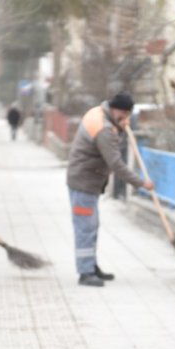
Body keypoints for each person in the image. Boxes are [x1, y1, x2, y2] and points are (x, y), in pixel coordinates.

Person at [65, 91, 154, 287]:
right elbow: (115, 163)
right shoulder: (104, 129)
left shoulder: (100, 113)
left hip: (85, 181)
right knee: (85, 228)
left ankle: (90, 266)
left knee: (91, 226)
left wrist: (120, 128)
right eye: (125, 115)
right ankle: (85, 273)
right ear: (117, 110)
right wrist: (141, 183)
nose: (126, 119)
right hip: (84, 182)